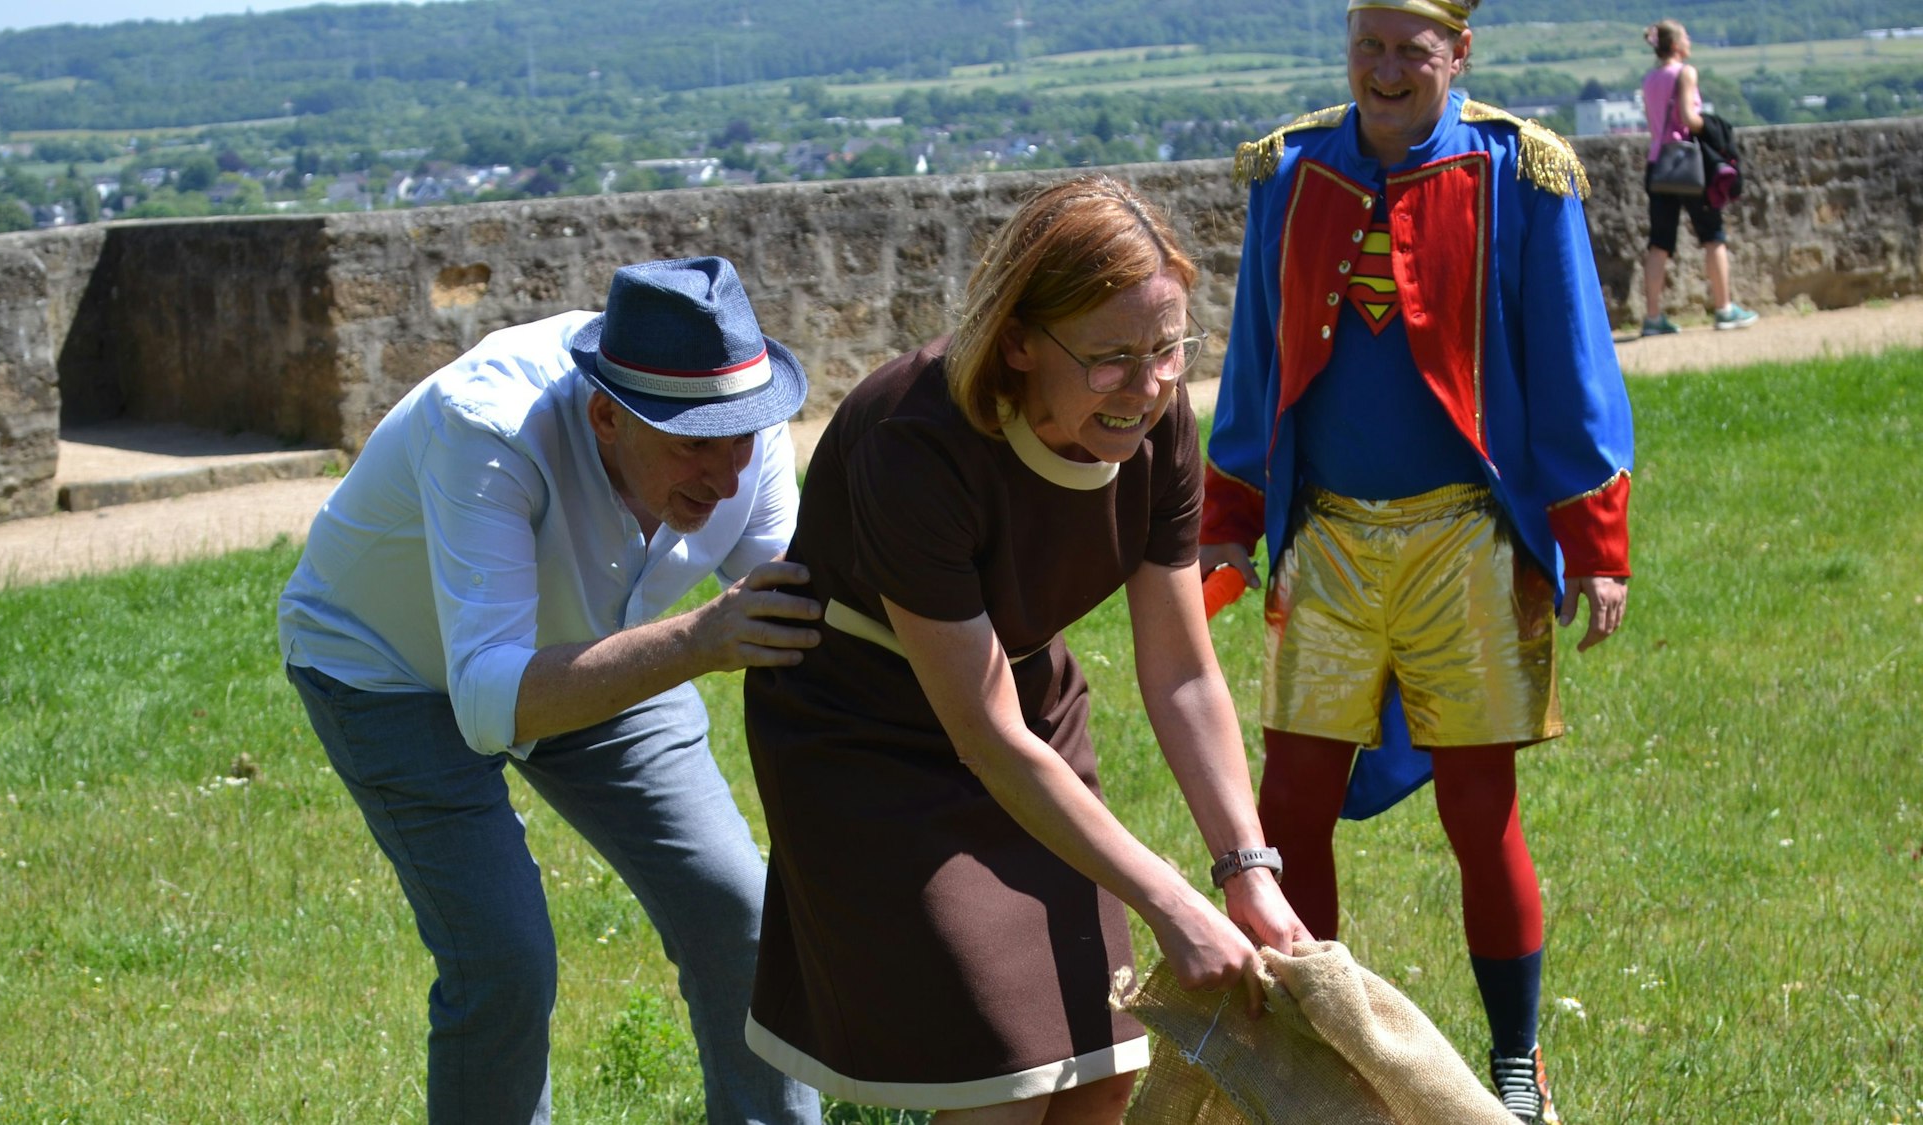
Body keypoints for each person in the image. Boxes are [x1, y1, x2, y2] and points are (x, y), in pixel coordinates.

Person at [741, 174, 1312, 1123]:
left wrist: (1245, 867)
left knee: (1105, 1059)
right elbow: (985, 733)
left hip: (1024, 706)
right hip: (865, 734)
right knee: (999, 1076)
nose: (1149, 385)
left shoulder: (1160, 422)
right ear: (1017, 340)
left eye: (1170, 347)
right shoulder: (913, 441)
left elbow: (1180, 672)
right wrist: (1173, 904)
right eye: (1112, 357)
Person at [1200, 2, 1635, 1123]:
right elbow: (1254, 360)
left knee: (1477, 810)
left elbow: (1571, 357)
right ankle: (1326, 1054)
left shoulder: (1518, 172)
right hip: (1328, 541)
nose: (1385, 72)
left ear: (1458, 56)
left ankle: (1515, 1065)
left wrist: (1593, 543)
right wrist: (1227, 522)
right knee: (1283, 807)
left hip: (1468, 543)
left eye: (1412, 51)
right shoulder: (1287, 172)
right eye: (1367, 49)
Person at [277, 256, 823, 1125]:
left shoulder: (736, 425)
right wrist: (694, 639)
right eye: (692, 447)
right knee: (503, 960)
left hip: (593, 649)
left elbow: (807, 626)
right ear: (607, 415)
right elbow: (491, 701)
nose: (727, 476)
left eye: (742, 441)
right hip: (386, 668)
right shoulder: (487, 425)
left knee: (742, 914)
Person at [1638, 17, 1758, 335]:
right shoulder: (1685, 73)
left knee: (1659, 243)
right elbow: (1689, 119)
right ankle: (1724, 308)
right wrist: (1714, 128)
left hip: (1658, 164)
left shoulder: (1649, 79)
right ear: (1677, 45)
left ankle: (1651, 317)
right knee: (1712, 235)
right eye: (1687, 38)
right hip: (1688, 166)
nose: (1690, 42)